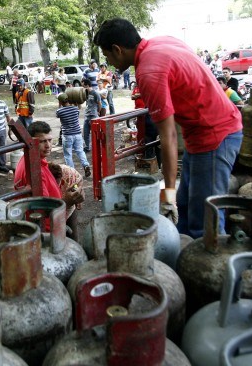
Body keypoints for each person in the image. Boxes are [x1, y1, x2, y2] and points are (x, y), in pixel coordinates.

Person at [93, 18, 242, 239]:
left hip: (214, 136)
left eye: (107, 56)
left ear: (118, 49)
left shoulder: (148, 72)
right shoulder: (162, 42)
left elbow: (169, 136)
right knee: (186, 209)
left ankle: (216, 269)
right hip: (201, 135)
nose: (109, 62)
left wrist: (168, 194)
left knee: (205, 226)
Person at [14, 121, 84, 210]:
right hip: (48, 219)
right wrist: (68, 201)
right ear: (31, 143)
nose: (48, 145)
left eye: (50, 140)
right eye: (42, 141)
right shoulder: (36, 172)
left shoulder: (29, 158)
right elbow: (44, 211)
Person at [48, 162, 85, 243]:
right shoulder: (45, 176)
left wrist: (77, 198)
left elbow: (78, 182)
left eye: (58, 182)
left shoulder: (69, 173)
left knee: (72, 236)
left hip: (69, 204)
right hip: (54, 206)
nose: (56, 185)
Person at [56, 93, 91, 178]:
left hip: (67, 135)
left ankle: (72, 173)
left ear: (60, 102)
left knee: (68, 154)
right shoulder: (75, 109)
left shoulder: (59, 111)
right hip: (77, 134)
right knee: (80, 151)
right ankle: (86, 165)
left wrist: (59, 105)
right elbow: (78, 108)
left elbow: (58, 115)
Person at [131, 82, 160, 162]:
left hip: (151, 122)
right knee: (152, 143)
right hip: (148, 119)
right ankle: (152, 161)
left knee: (154, 143)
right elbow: (133, 96)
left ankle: (153, 161)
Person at [82, 78, 101, 153]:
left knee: (95, 134)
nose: (82, 87)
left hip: (93, 116)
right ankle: (87, 147)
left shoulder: (95, 93)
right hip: (87, 116)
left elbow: (99, 104)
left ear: (87, 85)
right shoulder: (85, 93)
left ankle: (97, 148)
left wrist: (98, 112)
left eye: (83, 85)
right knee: (85, 133)